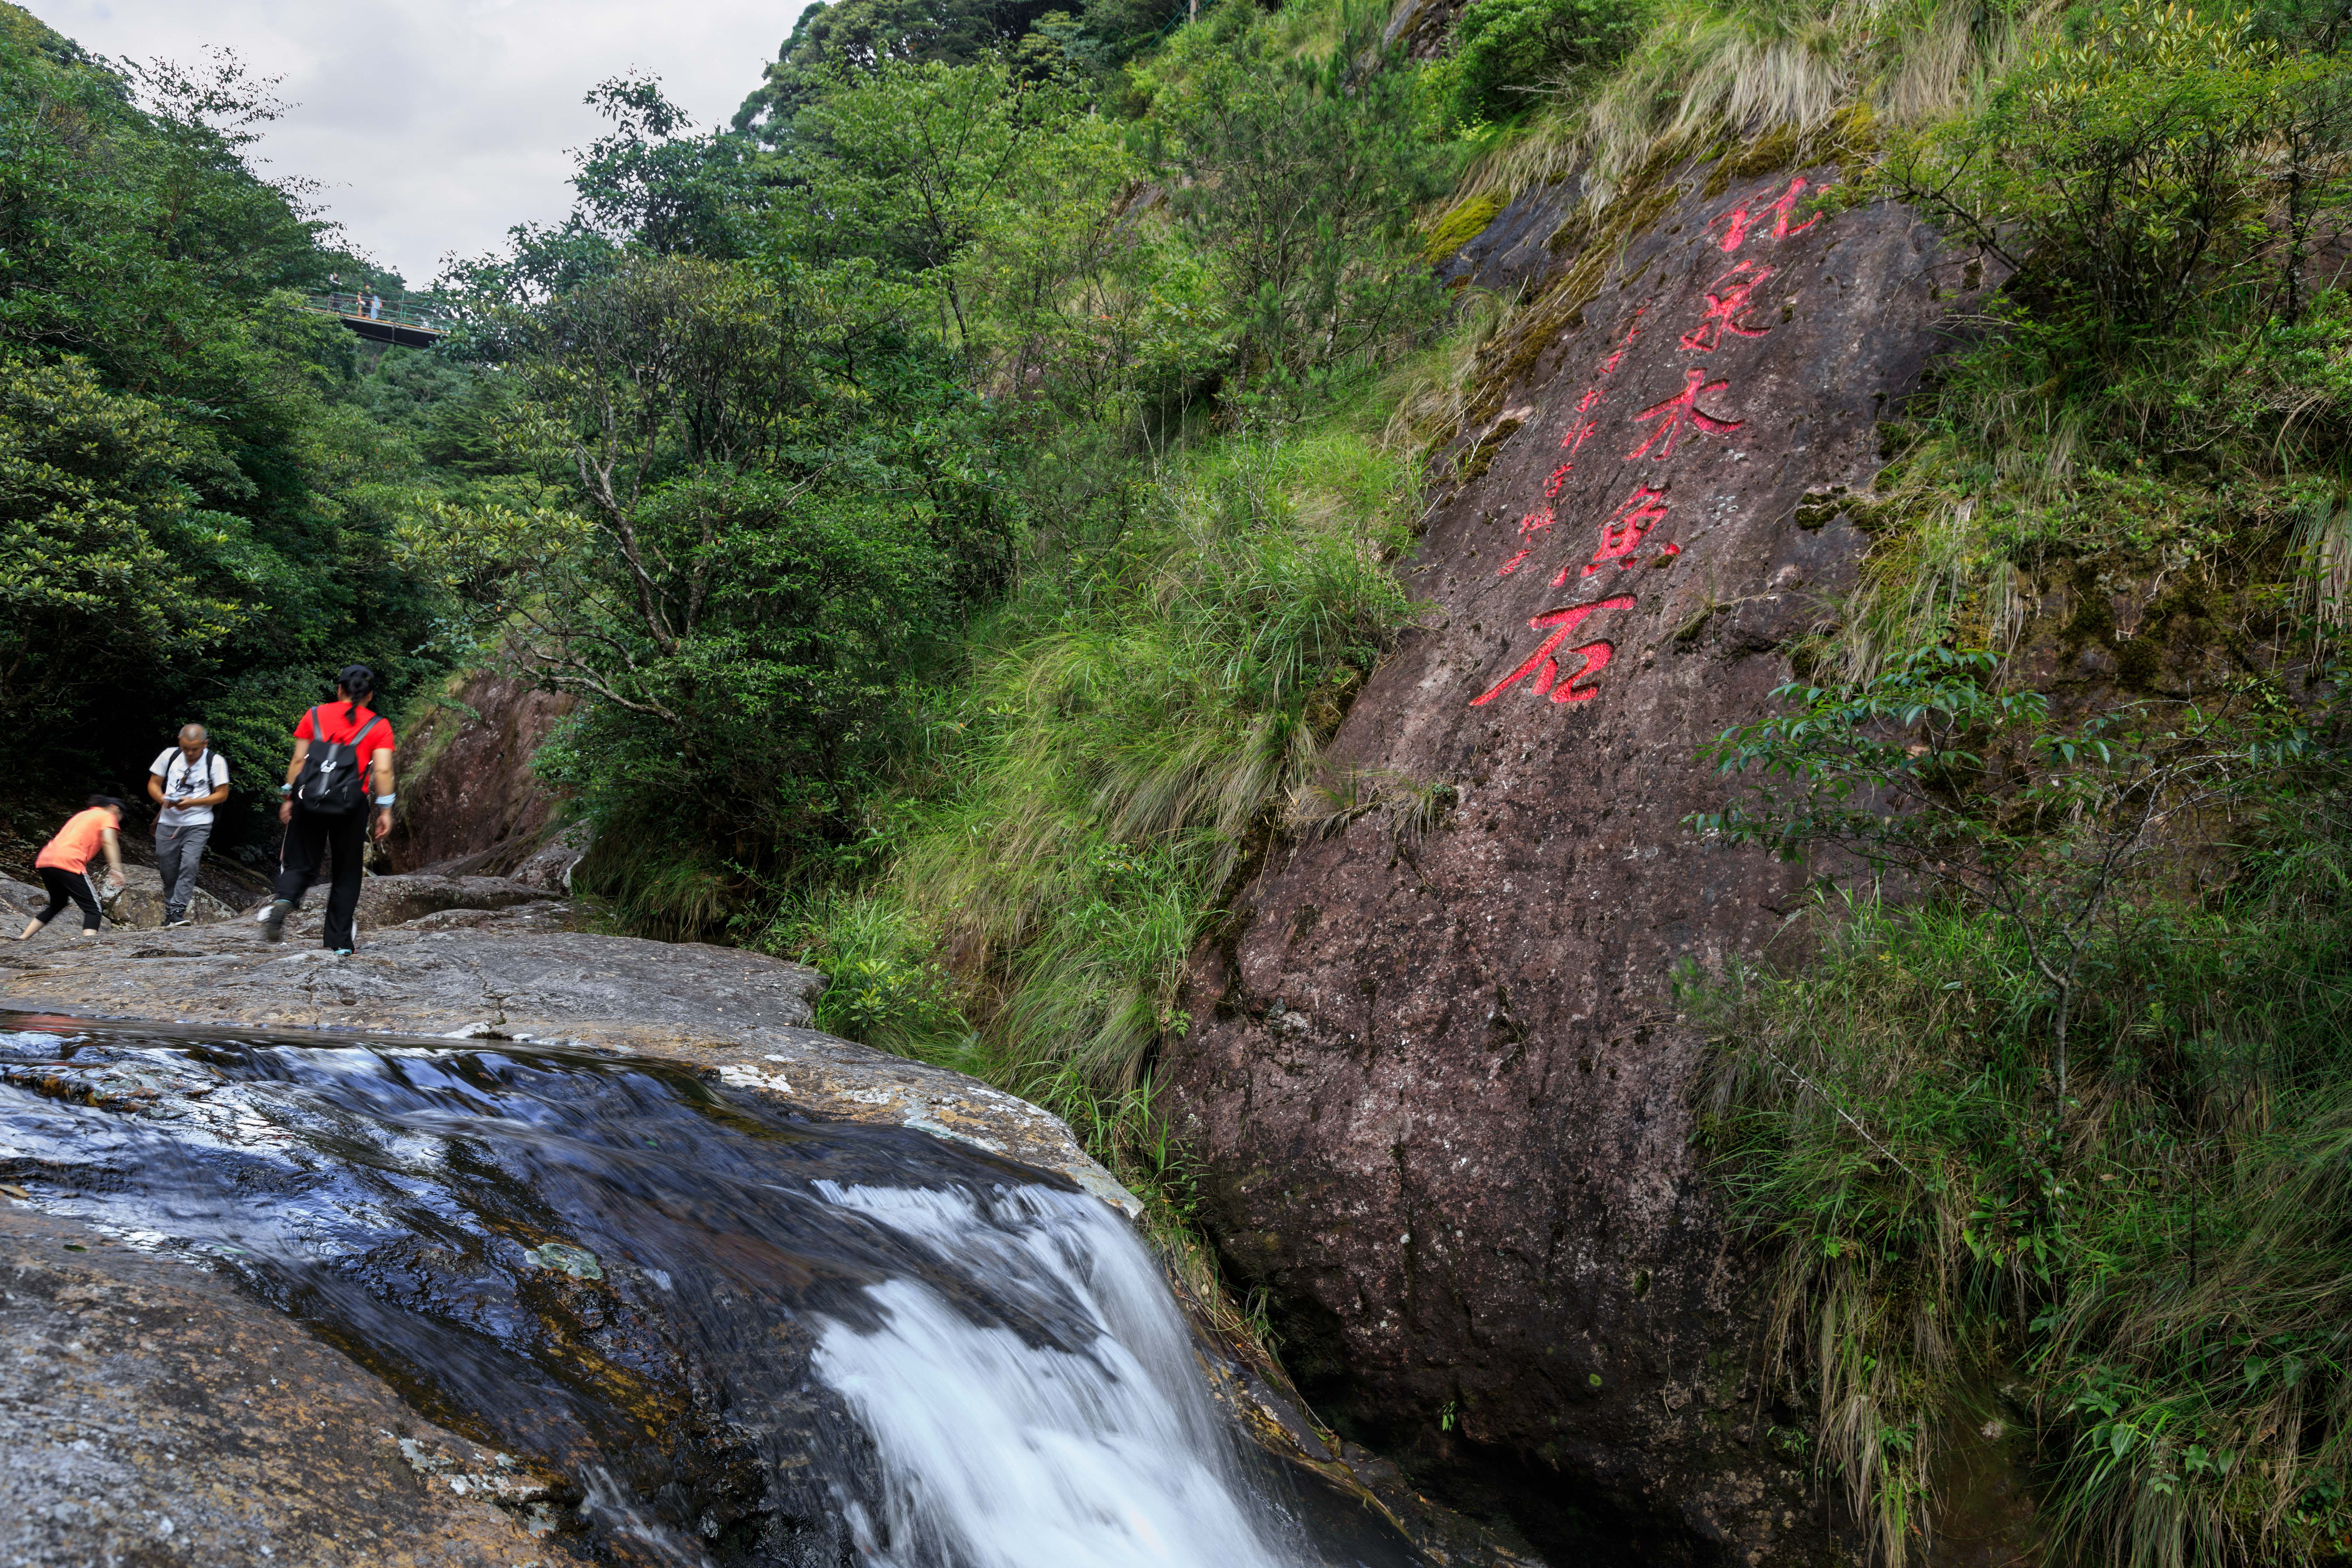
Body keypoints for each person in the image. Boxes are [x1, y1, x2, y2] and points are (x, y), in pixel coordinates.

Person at [256, 666, 397, 954]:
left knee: (300, 861)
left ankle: (285, 900)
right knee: (347, 872)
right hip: (350, 805)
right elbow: (383, 770)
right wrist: (385, 809)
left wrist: (289, 797)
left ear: (339, 689)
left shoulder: (314, 715)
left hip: (309, 800)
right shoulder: (379, 725)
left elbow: (298, 761)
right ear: (370, 695)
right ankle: (340, 944)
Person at [147, 723, 230, 928]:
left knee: (190, 865)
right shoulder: (169, 756)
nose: (191, 753)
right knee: (168, 871)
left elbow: (222, 794)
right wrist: (161, 798)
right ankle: (171, 916)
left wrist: (192, 803)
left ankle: (177, 911)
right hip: (168, 821)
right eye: (186, 748)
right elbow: (154, 783)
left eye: (196, 749)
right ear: (179, 742)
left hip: (199, 823)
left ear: (205, 744)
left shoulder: (215, 761)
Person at [16, 797, 127, 941]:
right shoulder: (108, 816)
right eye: (121, 817)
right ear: (114, 808)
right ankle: (87, 948)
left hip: (46, 859)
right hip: (69, 861)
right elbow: (109, 841)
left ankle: (23, 937)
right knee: (93, 909)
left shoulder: (82, 815)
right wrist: (116, 870)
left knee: (58, 904)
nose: (118, 821)